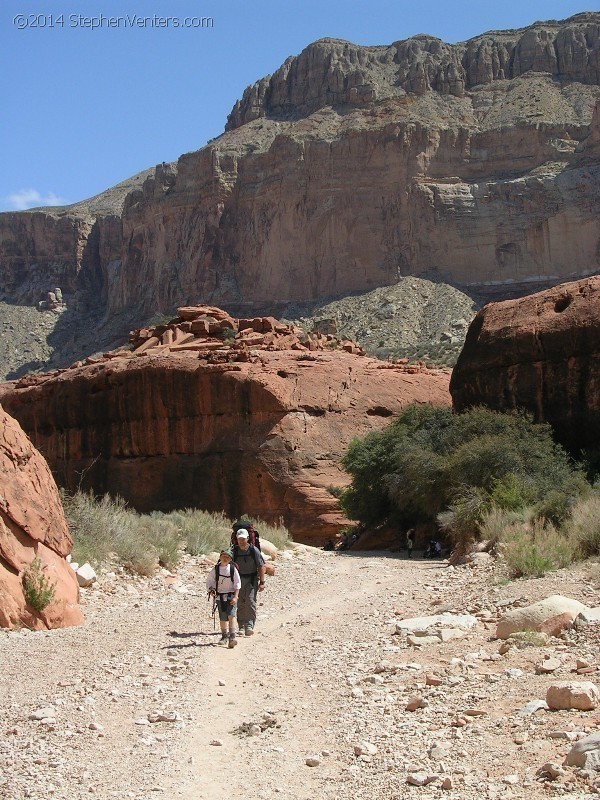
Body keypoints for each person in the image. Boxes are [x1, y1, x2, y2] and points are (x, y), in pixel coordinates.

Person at [205, 547, 241, 648]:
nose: (225, 558)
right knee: (223, 617)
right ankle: (224, 636)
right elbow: (209, 582)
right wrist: (211, 591)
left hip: (231, 596)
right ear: (220, 557)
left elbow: (237, 584)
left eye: (227, 557)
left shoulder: (232, 569)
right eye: (223, 556)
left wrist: (236, 597)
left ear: (230, 559)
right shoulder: (215, 569)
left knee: (231, 615)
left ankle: (232, 637)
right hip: (220, 597)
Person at [233, 528, 266, 636]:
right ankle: (241, 626)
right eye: (239, 539)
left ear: (247, 538)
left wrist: (262, 582)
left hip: (251, 580)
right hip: (238, 581)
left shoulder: (253, 550)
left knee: (250, 601)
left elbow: (261, 566)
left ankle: (249, 625)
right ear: (237, 539)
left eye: (243, 539)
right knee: (240, 602)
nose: (241, 541)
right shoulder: (234, 551)